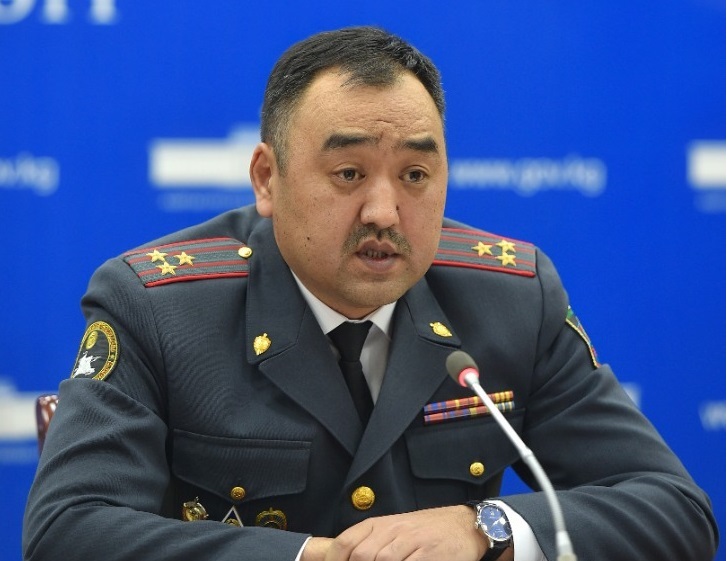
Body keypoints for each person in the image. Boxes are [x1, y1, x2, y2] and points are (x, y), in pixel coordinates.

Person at [23, 26, 717, 561]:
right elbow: (67, 528)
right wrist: (309, 557)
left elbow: (674, 511)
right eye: (349, 173)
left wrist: (487, 527)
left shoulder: (510, 297)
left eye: (415, 175)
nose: (385, 212)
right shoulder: (158, 305)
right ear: (267, 178)